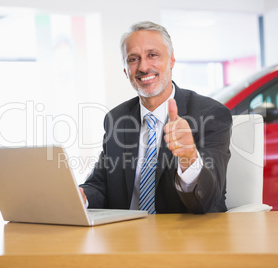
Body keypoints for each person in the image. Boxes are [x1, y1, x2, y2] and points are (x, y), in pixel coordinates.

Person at [79, 21, 232, 214]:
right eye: (133, 59)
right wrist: (80, 196)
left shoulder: (210, 114)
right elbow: (101, 185)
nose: (143, 67)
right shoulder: (116, 119)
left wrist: (189, 158)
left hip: (184, 238)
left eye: (153, 55)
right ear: (126, 71)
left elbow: (209, 199)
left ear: (171, 60)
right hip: (125, 236)